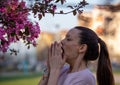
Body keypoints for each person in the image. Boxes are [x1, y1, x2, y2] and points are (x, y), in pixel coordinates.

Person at [38, 26, 115, 85]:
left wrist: (54, 70)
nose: (61, 42)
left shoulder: (85, 78)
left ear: (82, 48)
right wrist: (49, 69)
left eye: (68, 39)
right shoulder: (62, 69)